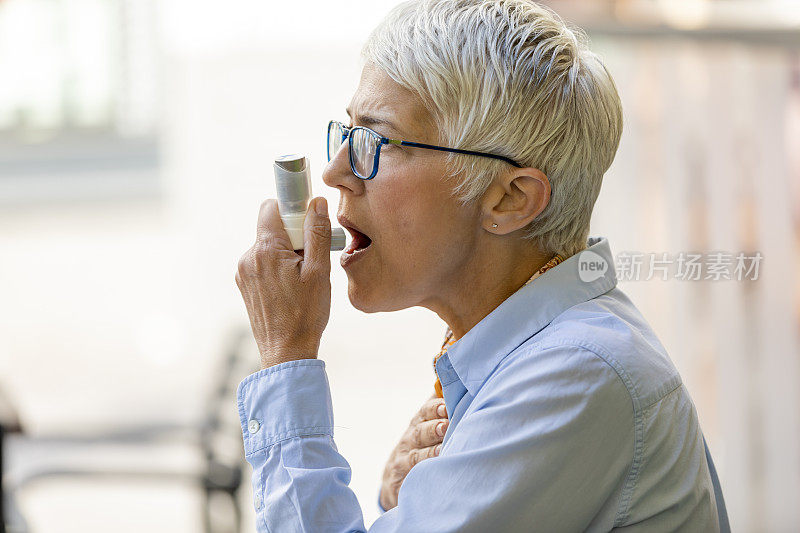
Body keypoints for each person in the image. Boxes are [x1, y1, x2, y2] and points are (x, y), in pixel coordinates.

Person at [234, 0, 730, 530]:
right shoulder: (540, 353)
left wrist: (288, 357)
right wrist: (400, 507)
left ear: (510, 200)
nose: (336, 172)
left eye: (376, 140)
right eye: (348, 133)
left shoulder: (576, 373)